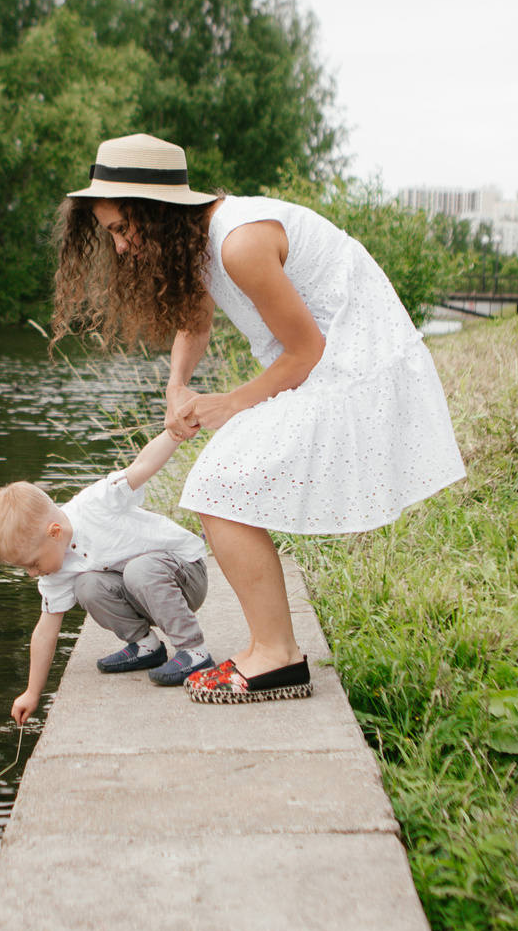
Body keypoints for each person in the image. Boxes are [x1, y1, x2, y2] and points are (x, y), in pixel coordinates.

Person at [53, 133, 465, 702]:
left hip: (357, 363)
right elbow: (195, 321)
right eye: (112, 234)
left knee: (220, 481)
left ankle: (276, 657)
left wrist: (228, 402)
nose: (120, 246)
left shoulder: (240, 241)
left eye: (123, 228)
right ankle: (268, 650)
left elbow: (307, 351)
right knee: (221, 483)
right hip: (323, 360)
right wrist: (177, 387)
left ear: (157, 213)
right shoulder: (197, 241)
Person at [0, 427, 216, 726]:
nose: (32, 573)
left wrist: (175, 433)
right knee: (87, 585)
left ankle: (193, 650)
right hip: (144, 593)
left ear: (54, 532)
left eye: (32, 563)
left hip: (185, 575)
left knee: (138, 569)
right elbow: (44, 632)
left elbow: (142, 467)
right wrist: (32, 692)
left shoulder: (96, 503)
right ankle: (147, 646)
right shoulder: (56, 571)